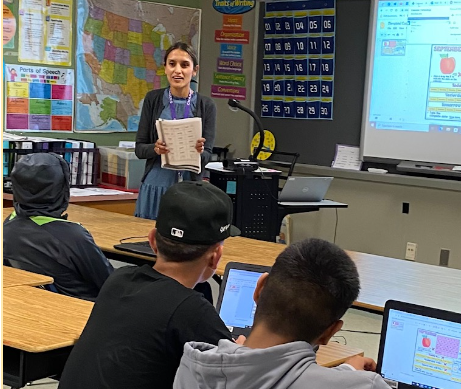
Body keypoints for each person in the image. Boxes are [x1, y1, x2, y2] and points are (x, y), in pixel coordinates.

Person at [59, 181, 237, 389]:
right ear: (216, 257)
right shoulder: (190, 310)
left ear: (152, 241)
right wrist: (242, 352)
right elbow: (242, 374)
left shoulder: (119, 280)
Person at [173, 238, 391, 389]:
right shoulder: (366, 385)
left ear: (259, 289)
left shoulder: (193, 369)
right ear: (330, 332)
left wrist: (243, 359)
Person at [3, 152, 113, 301]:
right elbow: (110, 283)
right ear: (61, 188)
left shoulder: (8, 226)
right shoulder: (73, 236)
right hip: (83, 310)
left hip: (38, 306)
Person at [135, 41, 216, 221]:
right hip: (156, 186)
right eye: (172, 64)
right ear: (165, 68)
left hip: (189, 189)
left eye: (184, 65)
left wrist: (198, 151)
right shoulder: (152, 99)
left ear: (194, 70)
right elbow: (139, 149)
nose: (177, 70)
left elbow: (207, 156)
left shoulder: (206, 105)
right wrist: (155, 149)